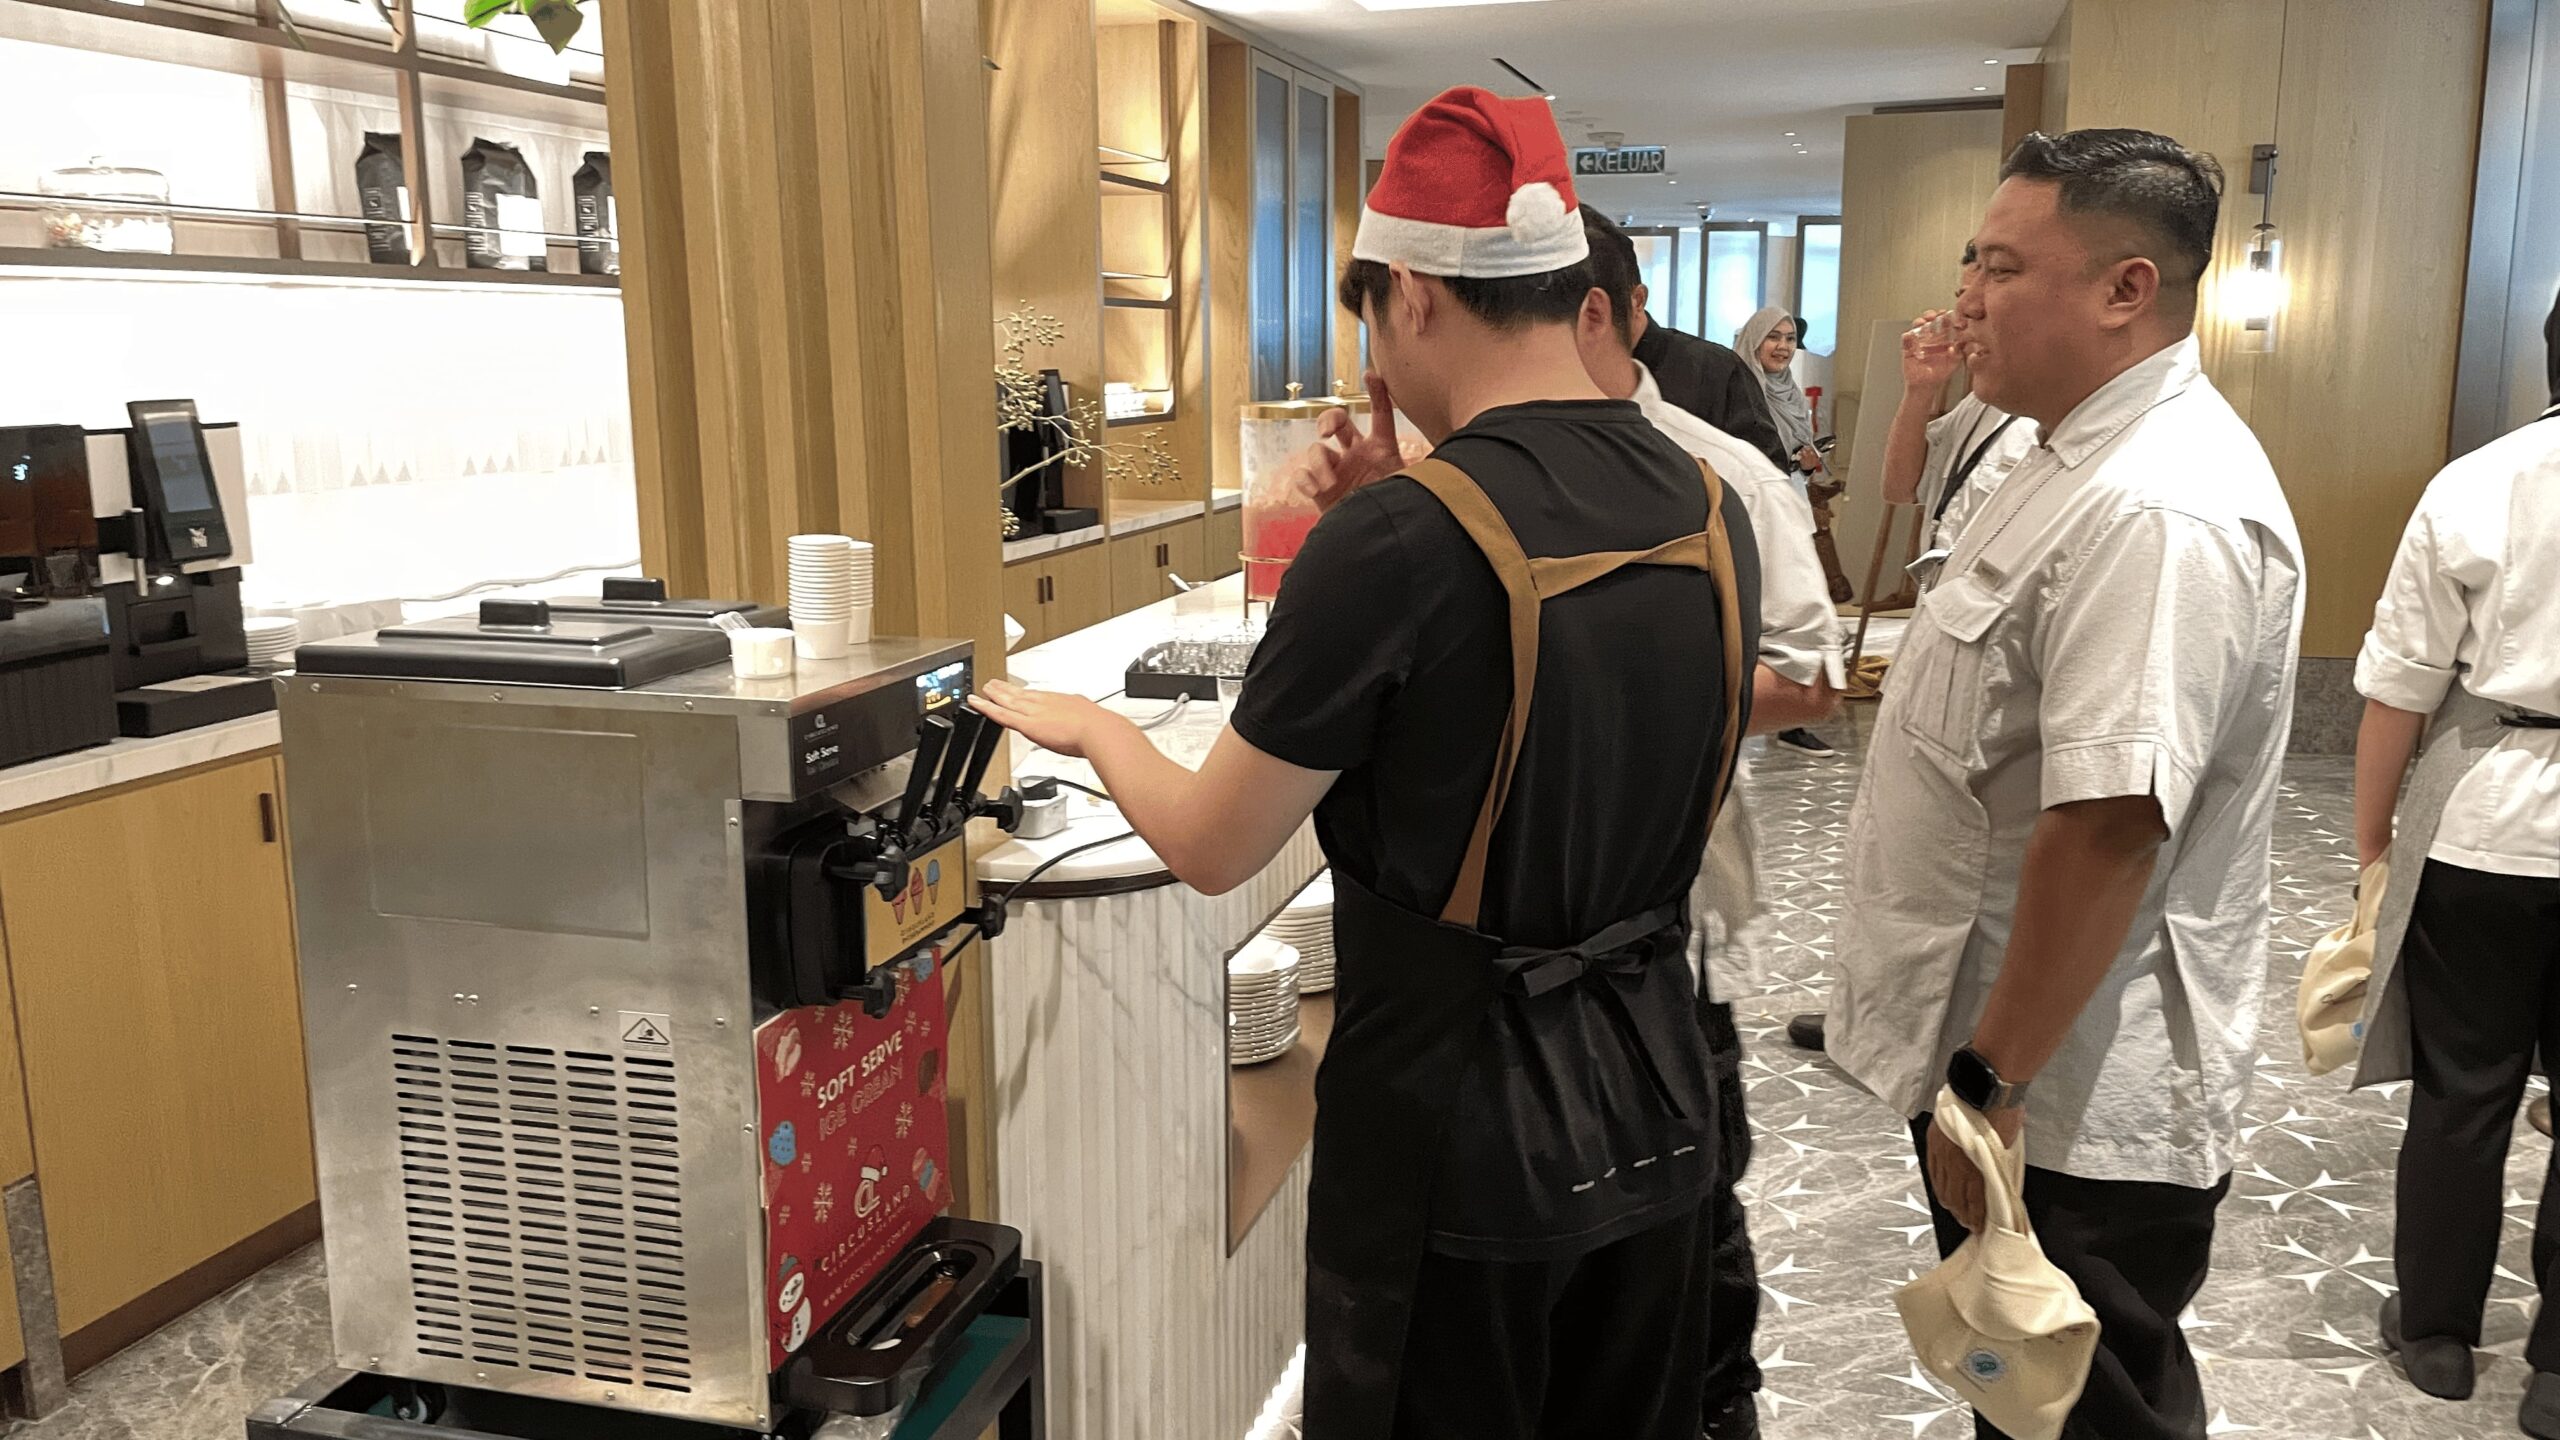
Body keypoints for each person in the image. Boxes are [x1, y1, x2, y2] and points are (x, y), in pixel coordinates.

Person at [973, 86, 1761, 1440]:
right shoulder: (1706, 501)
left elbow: (1215, 842)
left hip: (1461, 1137)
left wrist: (1094, 728)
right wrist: (1388, 519)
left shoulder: (1399, 542)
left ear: (1408, 292)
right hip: (1658, 1091)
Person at [1824, 128, 2303, 1440]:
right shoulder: (2056, 453)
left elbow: (2105, 829)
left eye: (2000, 266)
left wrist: (1990, 1085)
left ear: (2123, 289)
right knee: (2022, 1404)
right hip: (2008, 1045)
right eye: (1970, 262)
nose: (1965, 298)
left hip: (2072, 1092)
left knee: (2090, 1411)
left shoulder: (2159, 506)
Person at [1576, 206, 1843, 1440]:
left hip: (1668, 902)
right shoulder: (1448, 469)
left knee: (1684, 1213)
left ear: (1622, 314)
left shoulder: (1719, 469)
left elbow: (1810, 677)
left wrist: (1604, 690)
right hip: (1497, 933)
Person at [2348, 285, 2560, 1437]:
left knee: (2463, 1091)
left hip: (2489, 826)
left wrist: (2371, 840)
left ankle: (2435, 1333)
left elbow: (2400, 686)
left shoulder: (2477, 482)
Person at [1630, 310, 1792, 473]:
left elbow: (1765, 469)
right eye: (1773, 337)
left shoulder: (1716, 369)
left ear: (1638, 300)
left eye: (1790, 338)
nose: (1783, 346)